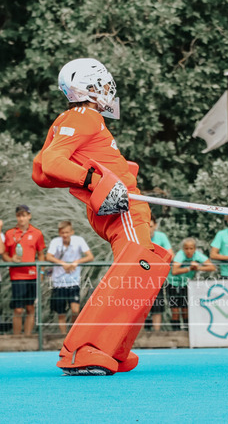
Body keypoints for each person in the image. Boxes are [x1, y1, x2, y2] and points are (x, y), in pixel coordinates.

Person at [32, 58, 172, 375]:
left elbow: (40, 172)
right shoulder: (85, 117)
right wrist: (95, 181)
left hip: (114, 206)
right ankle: (83, 350)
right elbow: (50, 165)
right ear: (89, 88)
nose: (109, 90)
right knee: (138, 269)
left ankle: (114, 348)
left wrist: (99, 179)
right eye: (104, 84)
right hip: (125, 209)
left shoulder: (67, 119)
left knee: (143, 272)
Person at [2, 205, 45, 336]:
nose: (22, 218)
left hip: (32, 276)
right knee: (18, 309)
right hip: (17, 276)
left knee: (30, 308)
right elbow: (4, 255)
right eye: (19, 215)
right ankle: (17, 338)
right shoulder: (9, 233)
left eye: (24, 215)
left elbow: (41, 254)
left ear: (29, 216)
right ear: (16, 217)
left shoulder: (37, 233)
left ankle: (27, 337)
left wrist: (41, 272)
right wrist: (11, 259)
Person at [45, 220, 94, 333]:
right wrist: (63, 264)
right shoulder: (55, 242)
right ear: (59, 233)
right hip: (58, 283)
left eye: (67, 232)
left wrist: (76, 262)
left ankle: (72, 333)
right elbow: (48, 256)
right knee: (61, 313)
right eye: (62, 233)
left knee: (75, 310)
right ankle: (64, 336)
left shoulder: (79, 240)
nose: (65, 235)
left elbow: (90, 256)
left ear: (72, 232)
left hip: (73, 282)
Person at [168, 238, 216, 330]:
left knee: (186, 310)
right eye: (186, 248)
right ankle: (175, 333)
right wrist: (189, 268)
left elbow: (212, 267)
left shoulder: (197, 255)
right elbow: (174, 271)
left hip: (186, 284)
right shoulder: (180, 255)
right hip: (173, 283)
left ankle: (187, 332)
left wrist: (198, 267)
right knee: (175, 311)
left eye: (191, 248)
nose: (189, 251)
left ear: (195, 249)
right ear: (183, 249)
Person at [149, 215, 173, 331]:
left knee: (157, 306)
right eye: (145, 226)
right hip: (140, 278)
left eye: (150, 226)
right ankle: (139, 335)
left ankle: (156, 334)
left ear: (155, 226)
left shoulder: (161, 237)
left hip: (156, 278)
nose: (148, 229)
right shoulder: (137, 236)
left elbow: (170, 255)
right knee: (138, 307)